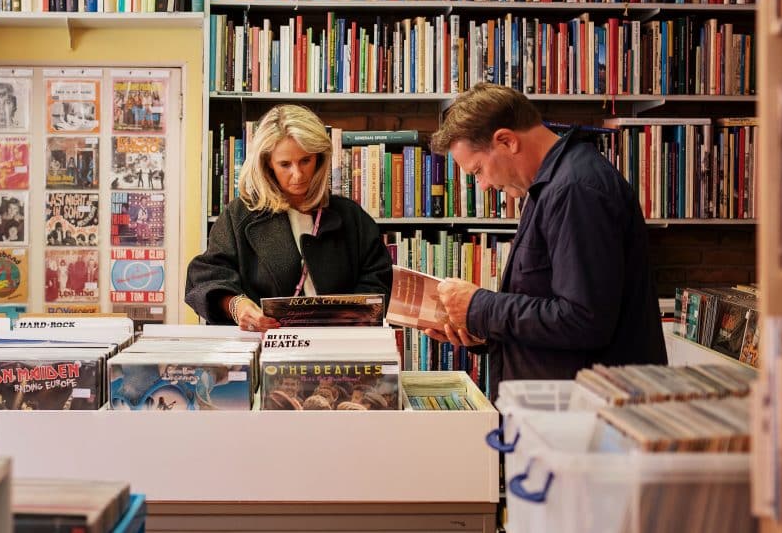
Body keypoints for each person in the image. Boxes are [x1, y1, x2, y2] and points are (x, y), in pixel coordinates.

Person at [424, 84, 666, 400]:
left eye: (479, 170)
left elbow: (583, 319)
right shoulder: (551, 186)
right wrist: (482, 329)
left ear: (506, 141)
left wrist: (479, 306)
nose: (482, 186)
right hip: (565, 408)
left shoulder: (575, 191)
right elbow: (549, 307)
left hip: (588, 416)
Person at [185, 104, 393, 333]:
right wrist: (236, 306)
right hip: (264, 349)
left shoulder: (350, 216)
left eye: (306, 160)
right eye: (285, 164)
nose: (298, 174)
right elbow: (205, 277)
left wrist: (350, 319)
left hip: (339, 345)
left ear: (320, 159)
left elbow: (378, 280)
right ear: (267, 165)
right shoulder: (240, 215)